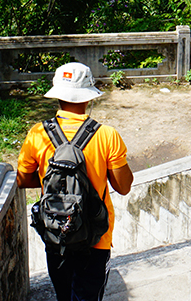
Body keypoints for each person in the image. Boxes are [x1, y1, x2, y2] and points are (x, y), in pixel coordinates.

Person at [17, 62, 134, 301]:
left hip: (55, 231)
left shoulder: (37, 134)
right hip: (95, 237)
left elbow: (22, 179)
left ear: (57, 95)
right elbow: (123, 187)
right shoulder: (106, 135)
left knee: (64, 295)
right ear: (88, 96)